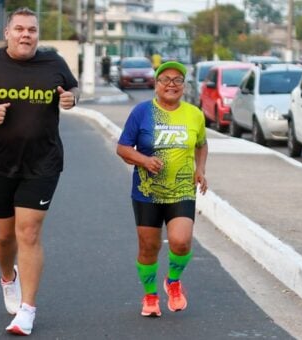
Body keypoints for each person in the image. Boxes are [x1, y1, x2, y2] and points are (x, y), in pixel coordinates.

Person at [0, 7, 79, 336]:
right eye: (19, 29)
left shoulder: (54, 63)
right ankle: (9, 277)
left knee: (29, 233)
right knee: (4, 235)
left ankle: (27, 310)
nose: (26, 35)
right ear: (7, 33)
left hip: (42, 162)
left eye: (32, 30)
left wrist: (70, 100)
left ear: (38, 35)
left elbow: (73, 90)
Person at [116, 61, 208, 317]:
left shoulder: (194, 114)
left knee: (181, 242)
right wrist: (144, 160)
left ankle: (173, 281)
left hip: (181, 190)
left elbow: (201, 143)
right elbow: (122, 148)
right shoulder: (142, 112)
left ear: (184, 86)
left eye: (178, 80)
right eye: (165, 79)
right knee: (149, 247)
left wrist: (200, 169)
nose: (171, 84)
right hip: (147, 192)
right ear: (156, 85)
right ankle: (150, 295)